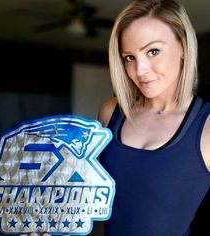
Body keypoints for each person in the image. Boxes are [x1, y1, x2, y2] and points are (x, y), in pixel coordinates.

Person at [98, 0, 210, 235]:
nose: (140, 70)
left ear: (184, 47)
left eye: (153, 51)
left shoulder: (207, 127)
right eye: (129, 57)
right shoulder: (111, 113)